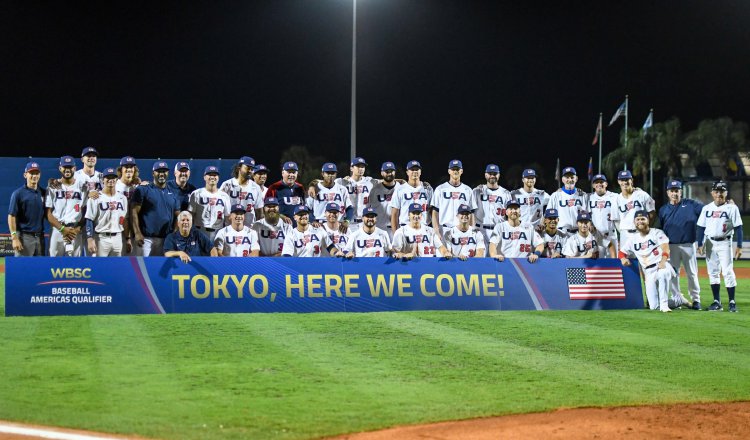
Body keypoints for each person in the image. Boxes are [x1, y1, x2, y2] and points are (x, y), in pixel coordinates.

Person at [697, 181, 743, 312]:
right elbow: (700, 227)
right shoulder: (706, 208)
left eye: (721, 191)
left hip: (724, 242)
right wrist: (699, 243)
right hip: (710, 242)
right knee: (713, 272)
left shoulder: (732, 208)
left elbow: (739, 228)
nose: (719, 194)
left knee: (727, 271)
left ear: (726, 193)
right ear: (712, 193)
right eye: (716, 191)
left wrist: (739, 246)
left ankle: (732, 302)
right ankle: (717, 302)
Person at [658, 179, 703, 310]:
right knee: (673, 274)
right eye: (672, 191)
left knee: (692, 274)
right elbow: (661, 229)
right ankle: (677, 298)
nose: (674, 193)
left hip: (688, 245)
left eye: (677, 190)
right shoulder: (663, 210)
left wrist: (726, 204)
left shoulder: (691, 204)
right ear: (667, 193)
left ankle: (696, 299)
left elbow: (708, 211)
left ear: (681, 192)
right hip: (671, 246)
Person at [619, 209, 675, 313]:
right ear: (634, 222)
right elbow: (622, 252)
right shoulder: (633, 239)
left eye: (643, 219)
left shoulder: (657, 232)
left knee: (663, 274)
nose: (640, 221)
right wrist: (623, 258)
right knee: (653, 306)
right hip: (648, 272)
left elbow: (666, 248)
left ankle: (664, 306)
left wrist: (663, 261)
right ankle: (677, 301)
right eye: (638, 219)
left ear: (648, 220)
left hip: (661, 265)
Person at [131, 161, 181, 256]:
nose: (161, 174)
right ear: (153, 173)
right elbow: (133, 211)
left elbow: (178, 216)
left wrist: (173, 236)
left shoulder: (173, 193)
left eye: (164, 171)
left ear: (168, 173)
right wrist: (137, 232)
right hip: (146, 239)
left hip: (165, 239)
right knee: (143, 268)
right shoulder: (143, 189)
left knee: (159, 269)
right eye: (158, 171)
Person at [45, 155, 88, 256]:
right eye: (65, 167)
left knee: (75, 266)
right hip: (58, 229)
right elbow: (48, 213)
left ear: (74, 168)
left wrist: (77, 229)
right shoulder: (52, 186)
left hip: (75, 231)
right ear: (60, 168)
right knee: (54, 265)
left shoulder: (82, 187)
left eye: (70, 167)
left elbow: (86, 212)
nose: (67, 170)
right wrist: (62, 229)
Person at [85, 167, 129, 257]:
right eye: (108, 177)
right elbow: (89, 219)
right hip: (101, 238)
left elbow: (124, 220)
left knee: (116, 267)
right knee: (98, 267)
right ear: (102, 180)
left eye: (113, 177)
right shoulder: (95, 197)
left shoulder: (122, 198)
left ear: (116, 179)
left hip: (118, 237)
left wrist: (128, 239)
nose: (110, 180)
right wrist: (90, 238)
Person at [8, 161, 46, 256]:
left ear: (40, 175)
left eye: (36, 173)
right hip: (24, 237)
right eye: (31, 173)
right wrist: (14, 238)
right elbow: (11, 216)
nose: (34, 176)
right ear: (25, 175)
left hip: (40, 237)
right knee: (22, 269)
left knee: (40, 269)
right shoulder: (18, 194)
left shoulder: (44, 192)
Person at [430, 159, 476, 238]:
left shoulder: (468, 190)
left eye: (457, 169)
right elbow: (435, 212)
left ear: (461, 171)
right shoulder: (440, 189)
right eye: (453, 169)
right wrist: (436, 231)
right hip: (444, 229)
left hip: (462, 230)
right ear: (449, 171)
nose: (455, 171)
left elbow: (472, 213)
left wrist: (471, 231)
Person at [612, 170, 656, 250]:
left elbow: (652, 212)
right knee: (625, 260)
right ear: (618, 181)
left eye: (627, 179)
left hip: (640, 232)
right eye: (622, 180)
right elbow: (616, 220)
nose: (624, 182)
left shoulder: (642, 194)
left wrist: (646, 228)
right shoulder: (616, 199)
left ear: (631, 180)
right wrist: (623, 231)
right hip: (625, 235)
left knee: (643, 259)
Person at [188, 165, 231, 242]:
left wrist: (227, 232)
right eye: (209, 175)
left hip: (218, 232)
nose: (212, 177)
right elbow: (191, 214)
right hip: (200, 230)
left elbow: (227, 217)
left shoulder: (224, 196)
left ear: (218, 178)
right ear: (204, 177)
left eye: (215, 175)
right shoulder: (196, 193)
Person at [219, 156, 264, 227]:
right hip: (229, 228)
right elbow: (219, 207)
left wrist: (258, 229)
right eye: (248, 168)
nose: (250, 171)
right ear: (239, 167)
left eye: (252, 169)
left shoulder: (256, 187)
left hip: (249, 229)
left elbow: (259, 212)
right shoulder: (227, 185)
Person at [390, 160, 433, 232]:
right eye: (412, 169)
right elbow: (394, 214)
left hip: (424, 227)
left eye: (417, 169)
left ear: (420, 172)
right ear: (407, 172)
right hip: (405, 227)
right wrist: (396, 234)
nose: (415, 172)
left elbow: (432, 211)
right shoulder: (400, 189)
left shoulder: (428, 189)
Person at [473, 164, 512, 243]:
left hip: (499, 230)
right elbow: (471, 212)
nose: (492, 176)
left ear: (499, 175)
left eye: (495, 174)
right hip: (480, 230)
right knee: (480, 255)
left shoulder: (506, 193)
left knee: (498, 255)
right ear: (485, 175)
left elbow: (510, 215)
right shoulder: (477, 191)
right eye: (490, 173)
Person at [546, 166, 588, 234]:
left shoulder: (583, 195)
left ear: (576, 179)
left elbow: (588, 214)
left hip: (578, 233)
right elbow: (548, 215)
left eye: (572, 177)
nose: (569, 180)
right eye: (567, 177)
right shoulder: (555, 195)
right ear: (562, 179)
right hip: (561, 232)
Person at [266, 161, 306, 225]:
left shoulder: (300, 187)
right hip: (280, 226)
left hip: (298, 227)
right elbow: (266, 209)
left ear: (297, 174)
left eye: (293, 172)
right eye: (289, 172)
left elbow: (304, 206)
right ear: (282, 173)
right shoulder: (274, 187)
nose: (291, 175)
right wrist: (280, 216)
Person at [368, 161, 400, 239]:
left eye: (391, 171)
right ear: (382, 173)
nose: (389, 173)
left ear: (395, 172)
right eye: (386, 171)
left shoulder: (401, 188)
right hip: (379, 229)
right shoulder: (374, 189)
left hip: (397, 228)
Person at [587, 173, 618, 255]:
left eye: (601, 182)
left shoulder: (615, 196)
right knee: (598, 264)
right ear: (593, 185)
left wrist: (635, 190)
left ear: (606, 184)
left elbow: (627, 196)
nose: (599, 184)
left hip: (611, 234)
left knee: (614, 263)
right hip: (596, 235)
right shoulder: (589, 197)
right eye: (596, 182)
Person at [116, 156, 140, 255]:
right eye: (126, 166)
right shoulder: (114, 185)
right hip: (118, 229)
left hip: (134, 230)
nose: (129, 169)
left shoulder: (138, 187)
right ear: (121, 169)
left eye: (131, 167)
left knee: (134, 263)